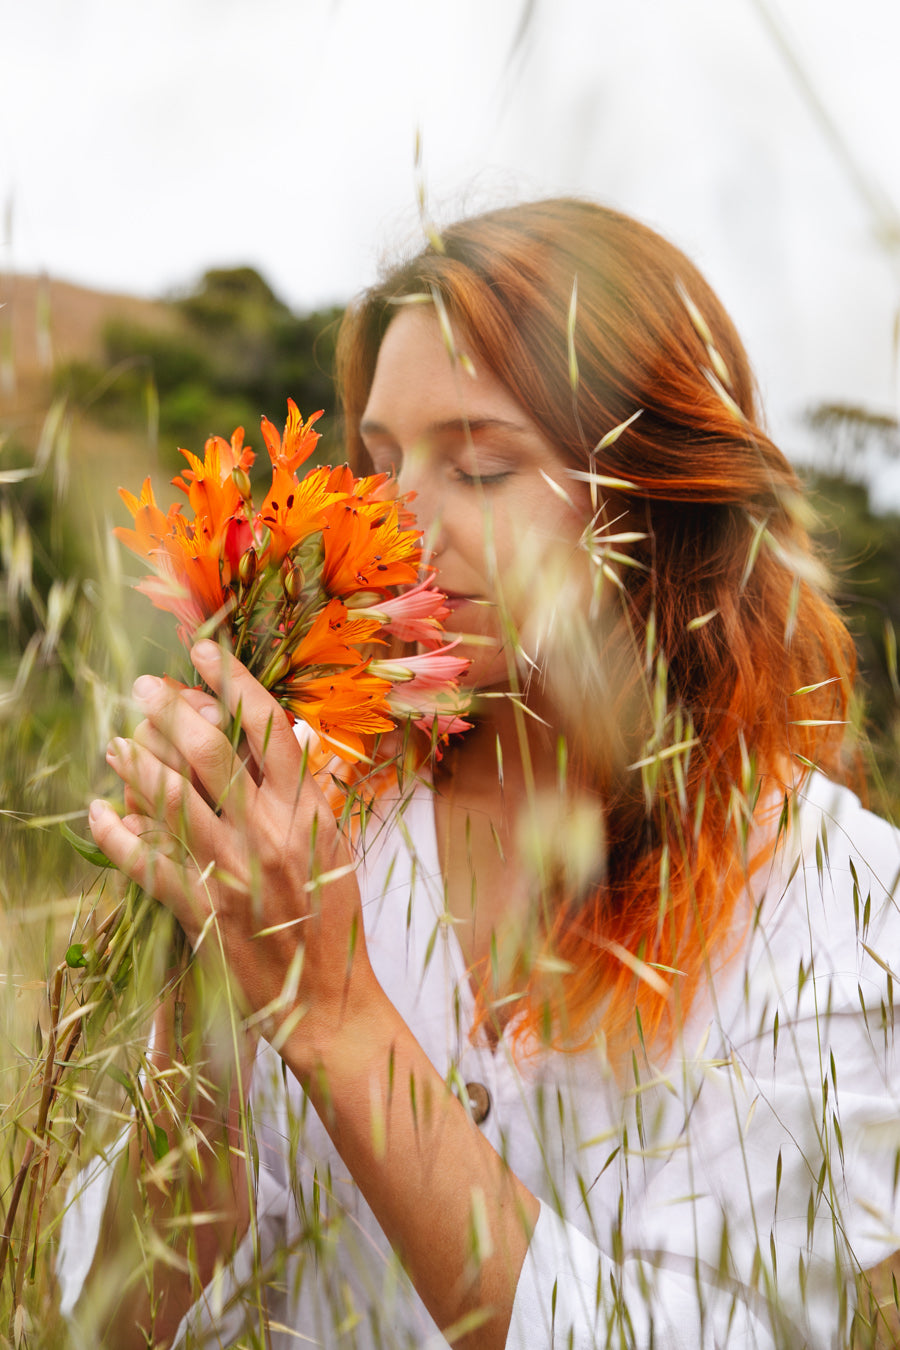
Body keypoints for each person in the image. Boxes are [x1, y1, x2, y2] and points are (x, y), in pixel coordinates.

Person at [61, 198, 900, 1348]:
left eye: (483, 468)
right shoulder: (321, 810)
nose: (394, 525)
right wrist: (198, 1052)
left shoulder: (832, 895)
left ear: (655, 502)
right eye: (381, 461)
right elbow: (104, 1324)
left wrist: (341, 1018)